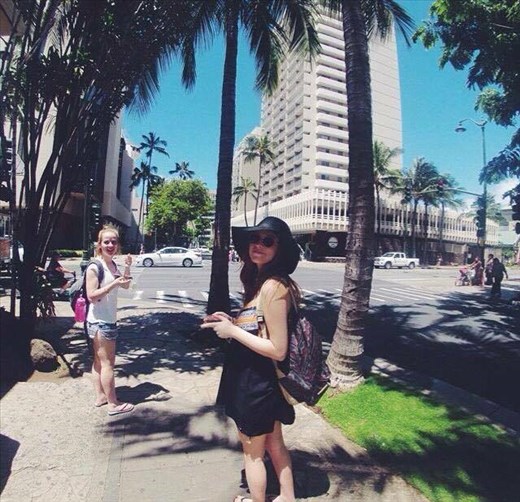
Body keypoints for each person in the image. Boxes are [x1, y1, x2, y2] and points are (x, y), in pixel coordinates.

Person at [202, 216, 301, 502]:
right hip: (257, 378)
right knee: (274, 443)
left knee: (253, 453)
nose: (258, 245)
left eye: (267, 241)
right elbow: (260, 327)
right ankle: (287, 497)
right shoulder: (262, 282)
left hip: (257, 384)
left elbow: (278, 349)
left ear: (279, 249)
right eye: (254, 239)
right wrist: (231, 321)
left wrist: (232, 331)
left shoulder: (274, 287)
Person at [86, 227, 134, 416]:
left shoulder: (111, 265)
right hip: (101, 322)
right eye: (106, 241)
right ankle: (113, 404)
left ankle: (100, 397)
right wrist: (113, 284)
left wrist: (127, 267)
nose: (111, 245)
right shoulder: (95, 267)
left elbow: (126, 285)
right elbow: (91, 296)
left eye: (114, 241)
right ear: (99, 244)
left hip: (105, 320)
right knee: (108, 363)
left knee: (99, 361)